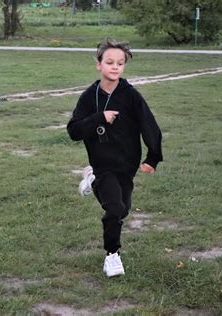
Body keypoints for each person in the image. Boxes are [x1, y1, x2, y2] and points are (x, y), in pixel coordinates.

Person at [67, 38, 163, 277]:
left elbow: (149, 125)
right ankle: (112, 256)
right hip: (103, 163)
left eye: (120, 63)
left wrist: (153, 157)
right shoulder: (90, 96)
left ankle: (92, 181)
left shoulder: (131, 95)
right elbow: (73, 131)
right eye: (109, 62)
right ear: (98, 64)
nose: (115, 67)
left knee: (123, 209)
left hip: (127, 164)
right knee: (114, 208)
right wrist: (100, 117)